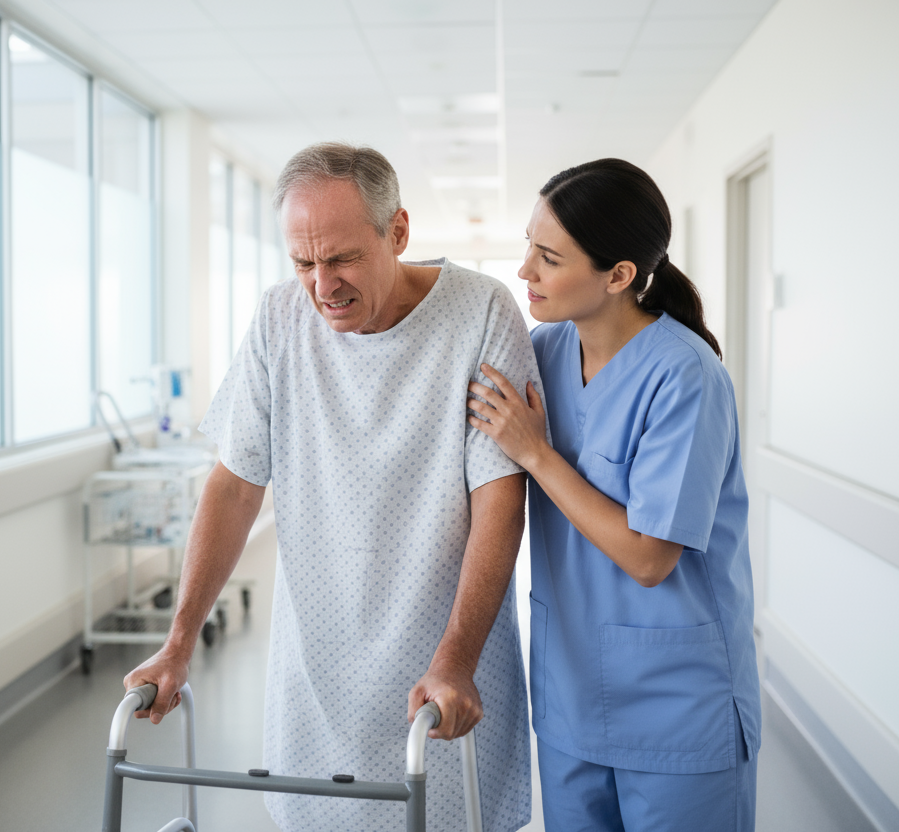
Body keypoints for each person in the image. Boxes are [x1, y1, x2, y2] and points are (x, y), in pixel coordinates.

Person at [124, 142, 542, 830]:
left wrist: (457, 658)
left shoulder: (482, 312)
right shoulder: (278, 320)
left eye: (342, 258)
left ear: (398, 232)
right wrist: (178, 641)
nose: (322, 285)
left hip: (445, 667)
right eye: (302, 262)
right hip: (315, 669)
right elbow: (233, 487)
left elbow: (500, 499)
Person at [467, 158, 759, 832]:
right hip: (572, 698)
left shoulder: (686, 376)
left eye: (548, 257)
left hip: (678, 706)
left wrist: (537, 452)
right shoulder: (539, 351)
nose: (524, 273)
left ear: (619, 275)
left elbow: (650, 557)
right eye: (528, 249)